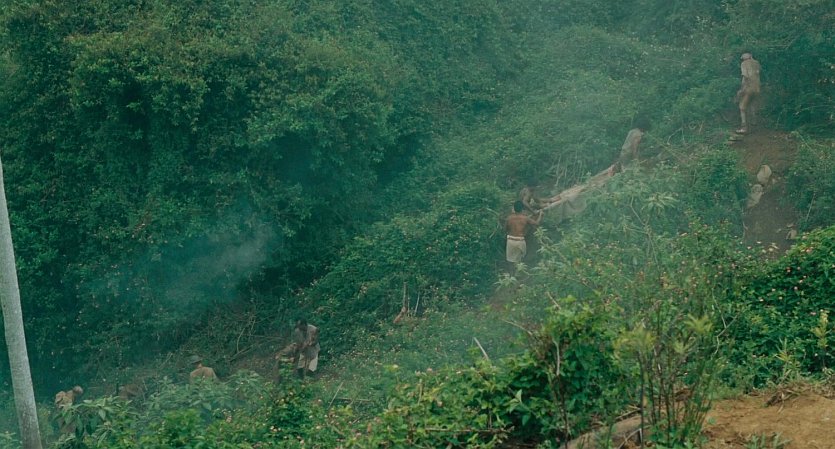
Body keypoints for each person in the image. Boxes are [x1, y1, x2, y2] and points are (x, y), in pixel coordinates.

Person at [505, 200, 543, 267]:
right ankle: (519, 272)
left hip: (510, 240)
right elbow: (537, 224)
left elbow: (505, 229)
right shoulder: (525, 218)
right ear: (522, 209)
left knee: (510, 260)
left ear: (514, 208)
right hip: (520, 240)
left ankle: (511, 272)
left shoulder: (509, 218)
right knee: (520, 260)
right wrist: (540, 215)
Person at [735, 52, 761, 133]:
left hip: (749, 88)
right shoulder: (756, 63)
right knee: (752, 104)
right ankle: (754, 123)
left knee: (742, 107)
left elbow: (745, 76)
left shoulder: (744, 64)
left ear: (743, 58)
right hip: (757, 88)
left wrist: (742, 89)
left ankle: (744, 128)